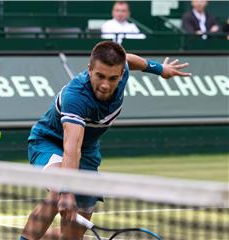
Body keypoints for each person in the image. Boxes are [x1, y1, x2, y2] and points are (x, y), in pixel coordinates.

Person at [20, 41, 191, 240]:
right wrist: (66, 191)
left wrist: (160, 69)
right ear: (90, 69)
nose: (105, 85)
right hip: (50, 142)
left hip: (88, 151)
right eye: (100, 76)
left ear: (120, 74)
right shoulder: (75, 97)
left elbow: (129, 60)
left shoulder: (123, 70)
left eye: (113, 78)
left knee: (74, 234)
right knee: (60, 189)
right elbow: (71, 146)